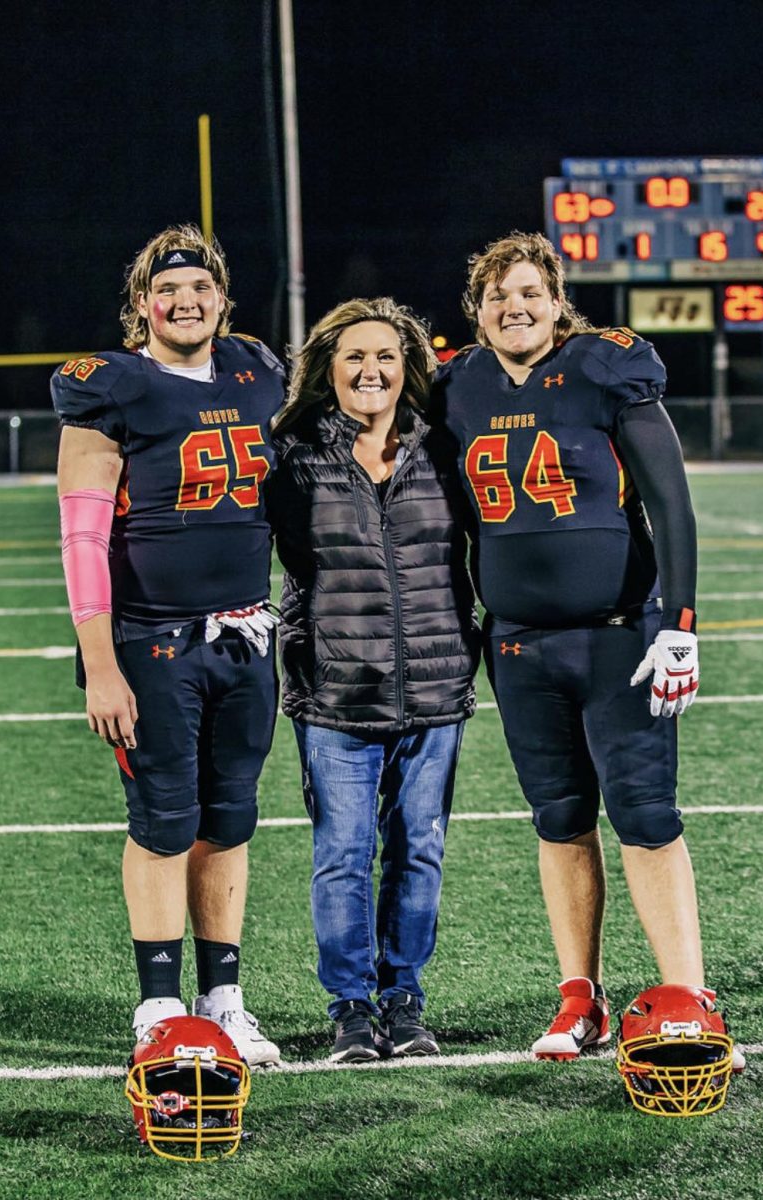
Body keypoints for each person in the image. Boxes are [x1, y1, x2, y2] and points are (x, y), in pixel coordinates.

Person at [433, 231, 743, 1070]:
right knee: (560, 819)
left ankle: (689, 993)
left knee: (645, 817)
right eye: (498, 296)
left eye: (530, 291)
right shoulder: (459, 384)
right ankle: (582, 996)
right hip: (522, 646)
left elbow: (671, 500)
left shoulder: (606, 367)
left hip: (620, 639)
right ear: (478, 311)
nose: (514, 306)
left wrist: (679, 619)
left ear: (557, 299)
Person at [51, 224, 283, 1065]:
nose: (186, 302)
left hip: (247, 632)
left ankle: (222, 999)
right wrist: (100, 665)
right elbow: (82, 538)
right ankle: (158, 1004)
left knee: (229, 821)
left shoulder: (258, 370)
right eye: (168, 290)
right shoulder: (111, 386)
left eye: (201, 288)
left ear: (223, 298)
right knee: (162, 822)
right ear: (141, 303)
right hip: (151, 640)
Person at [268, 297, 479, 1063]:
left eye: (386, 356)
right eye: (355, 356)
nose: (371, 370)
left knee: (419, 851)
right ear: (329, 368)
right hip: (336, 692)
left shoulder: (445, 448)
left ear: (408, 367)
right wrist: (302, 652)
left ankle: (405, 999)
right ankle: (351, 1008)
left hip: (435, 684)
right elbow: (278, 563)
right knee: (343, 854)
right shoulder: (294, 453)